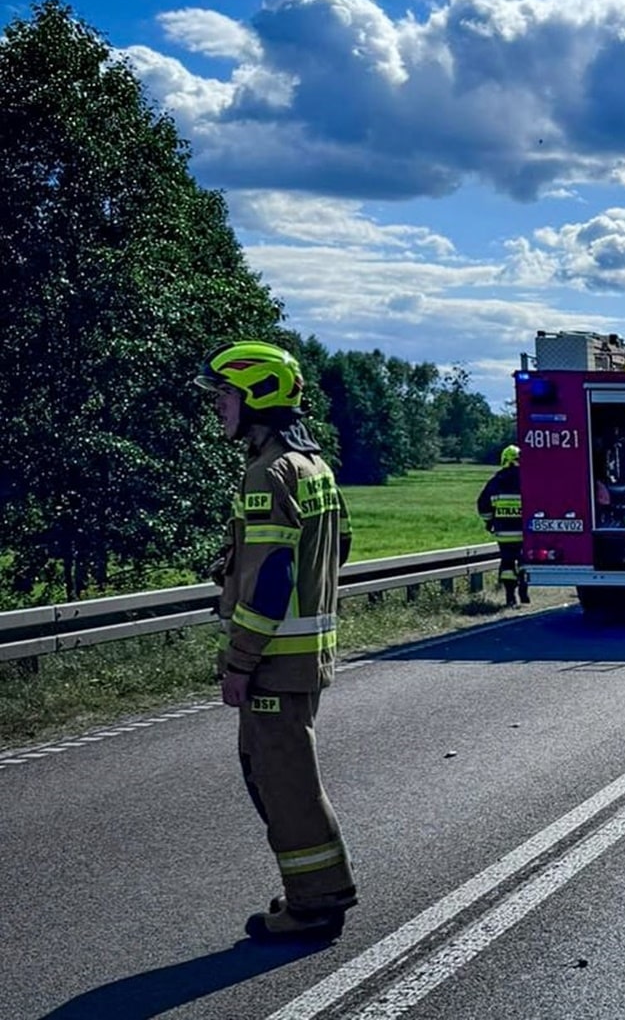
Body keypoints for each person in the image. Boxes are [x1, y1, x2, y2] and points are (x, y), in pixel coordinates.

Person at [196, 341, 358, 940]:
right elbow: (338, 547)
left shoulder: (270, 471)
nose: (217, 406)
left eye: (225, 394)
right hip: (303, 656)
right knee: (281, 774)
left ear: (257, 396)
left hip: (272, 662)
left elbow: (270, 582)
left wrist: (239, 663)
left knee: (283, 783)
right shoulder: (313, 465)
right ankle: (318, 890)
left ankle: (315, 903)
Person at [478, 445, 529, 607]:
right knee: (524, 561)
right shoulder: (528, 479)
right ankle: (524, 590)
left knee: (507, 563)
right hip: (525, 532)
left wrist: (489, 521)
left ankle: (510, 596)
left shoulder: (496, 481)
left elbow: (483, 505)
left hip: (504, 533)